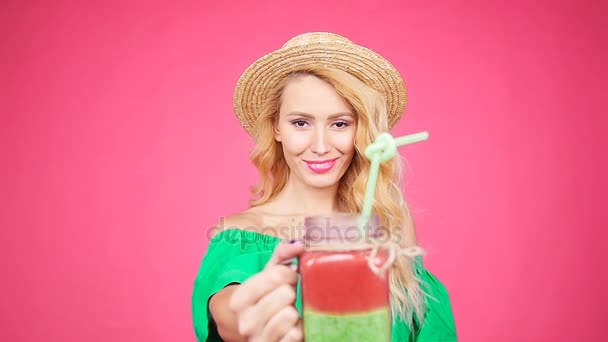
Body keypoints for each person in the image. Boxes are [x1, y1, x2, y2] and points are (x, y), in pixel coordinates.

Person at [192, 32, 457, 341]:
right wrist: (252, 317)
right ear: (276, 126)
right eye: (301, 123)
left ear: (360, 130)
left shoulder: (390, 224)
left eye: (339, 123)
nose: (320, 146)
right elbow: (231, 312)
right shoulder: (239, 235)